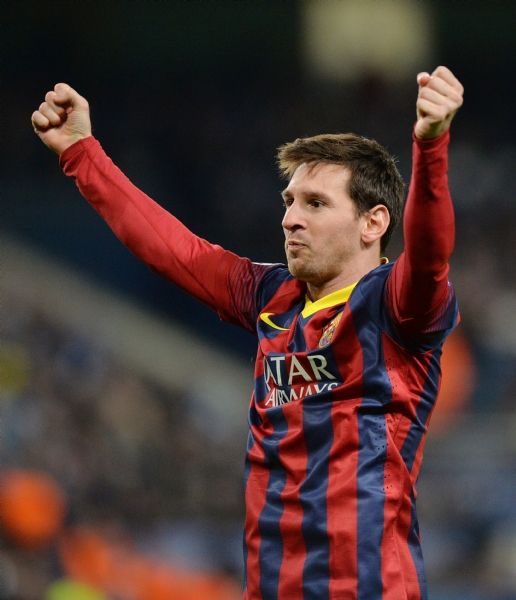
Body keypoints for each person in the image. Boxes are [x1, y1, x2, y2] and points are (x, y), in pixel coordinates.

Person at [32, 65, 464, 600]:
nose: (290, 219)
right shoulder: (270, 296)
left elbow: (429, 256)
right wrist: (81, 153)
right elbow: (172, 249)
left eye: (315, 203)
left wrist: (431, 145)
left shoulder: (396, 307)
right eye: (289, 201)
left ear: (373, 223)